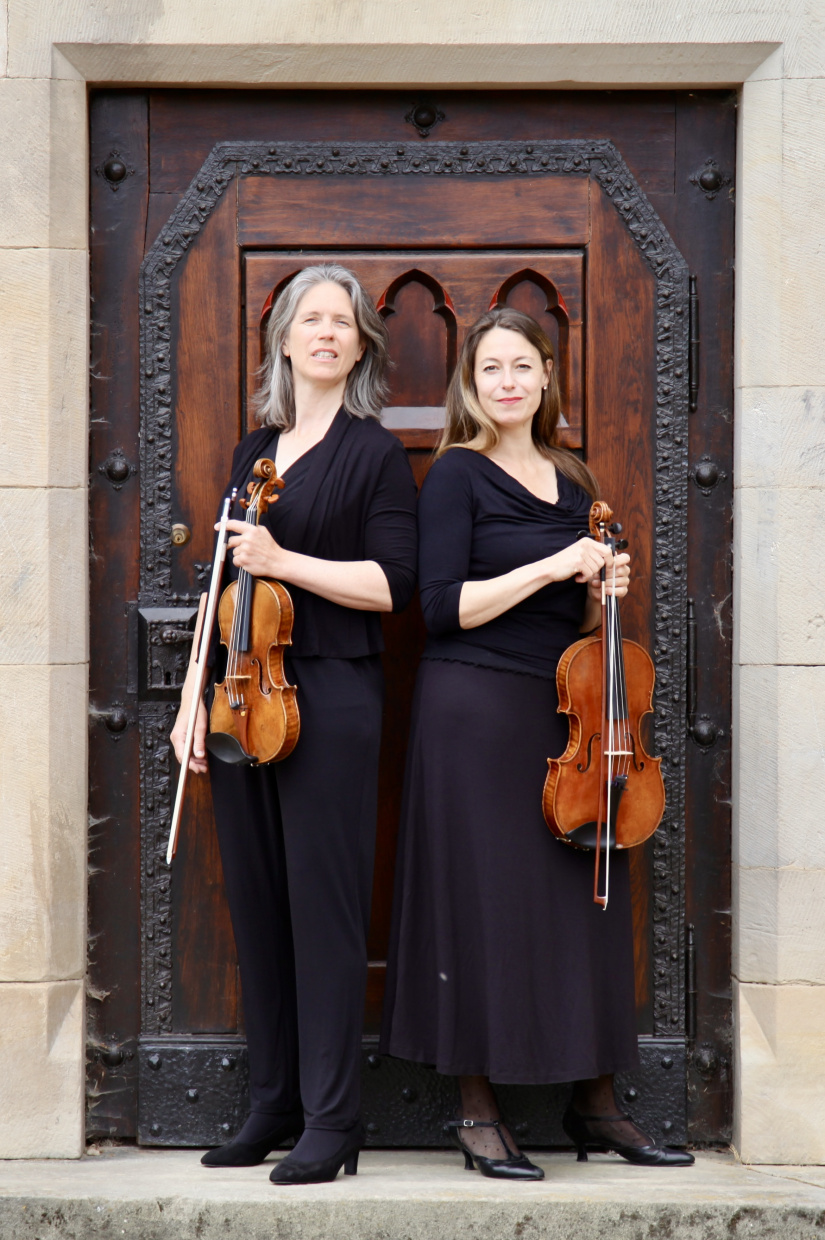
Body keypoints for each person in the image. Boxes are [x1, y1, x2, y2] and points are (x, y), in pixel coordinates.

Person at [380, 307, 694, 1178]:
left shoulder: (572, 474)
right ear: (470, 385)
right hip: (471, 713)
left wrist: (605, 589)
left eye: (521, 366)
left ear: (547, 374)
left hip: (566, 722)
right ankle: (475, 1109)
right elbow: (439, 608)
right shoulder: (455, 476)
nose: (507, 382)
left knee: (579, 901)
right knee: (479, 903)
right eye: (490, 370)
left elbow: (588, 622)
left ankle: (594, 1104)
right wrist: (554, 565)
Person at [171, 264, 417, 1185]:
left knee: (322, 910)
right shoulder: (253, 452)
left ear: (360, 345)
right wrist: (196, 697)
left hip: (332, 698)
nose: (325, 332)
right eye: (309, 318)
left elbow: (391, 587)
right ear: (282, 338)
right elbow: (220, 587)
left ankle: (333, 1120)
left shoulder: (374, 454)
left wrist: (287, 556)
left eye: (342, 321)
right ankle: (271, 1101)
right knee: (260, 907)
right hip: (243, 699)